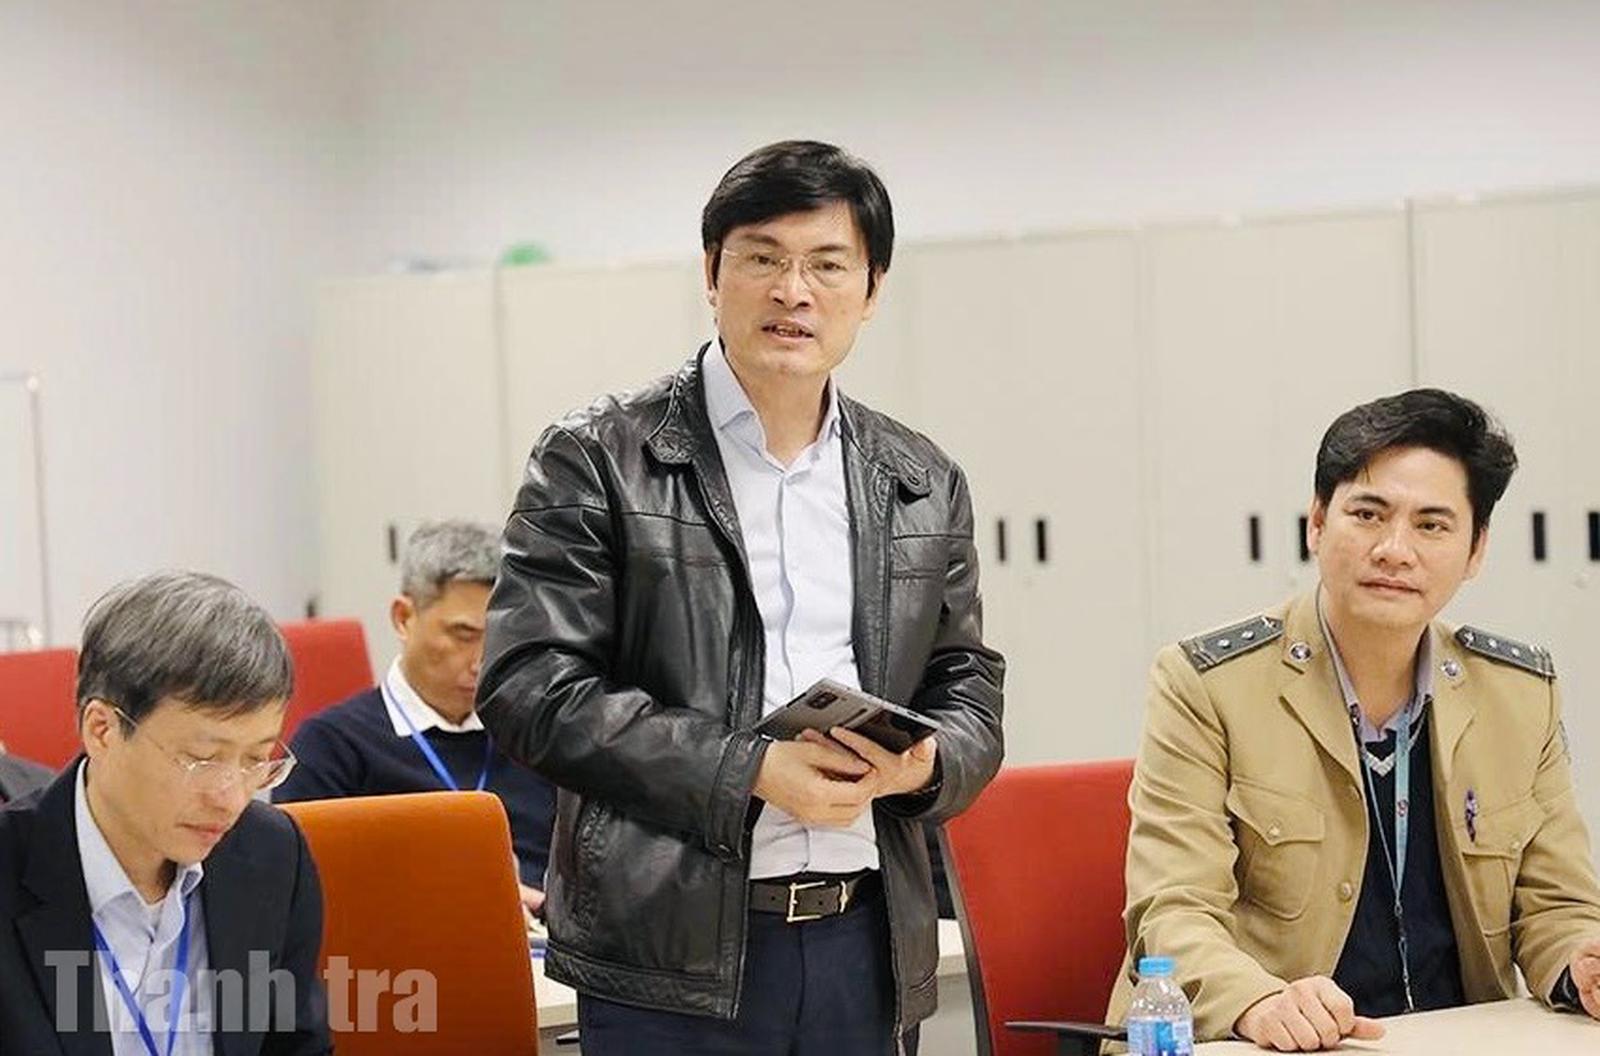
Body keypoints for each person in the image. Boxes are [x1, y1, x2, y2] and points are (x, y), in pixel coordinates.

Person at [476, 139, 1005, 1055]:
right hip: (668, 955)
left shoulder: (919, 478)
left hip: (865, 942)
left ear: (871, 291)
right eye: (763, 258)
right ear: (712, 275)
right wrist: (751, 771)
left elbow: (967, 684)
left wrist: (920, 766)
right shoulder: (599, 457)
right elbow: (529, 687)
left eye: (827, 265)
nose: (793, 291)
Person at [1110, 389, 1600, 1050]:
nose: (1395, 550)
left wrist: (1578, 963)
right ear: (1317, 523)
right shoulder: (1207, 685)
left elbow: (1556, 907)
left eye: (1432, 525)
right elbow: (1172, 912)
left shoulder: (1519, 693)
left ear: (1476, 550)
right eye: (1368, 515)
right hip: (1271, 1043)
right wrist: (1257, 999)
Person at [0, 570, 331, 1054]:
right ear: (102, 730)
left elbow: (296, 1046)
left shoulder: (273, 856)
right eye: (201, 759)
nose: (231, 799)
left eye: (256, 760)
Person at [274, 520, 555, 910]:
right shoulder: (332, 746)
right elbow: (298, 895)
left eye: (502, 637)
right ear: (404, 617)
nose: (483, 661)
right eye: (463, 635)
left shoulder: (535, 733)